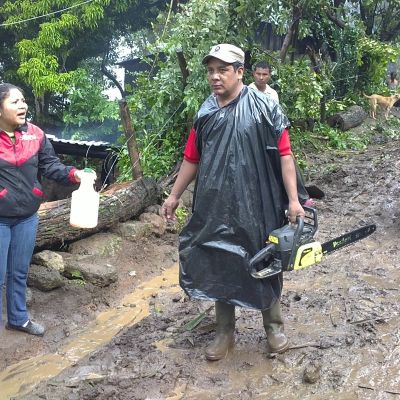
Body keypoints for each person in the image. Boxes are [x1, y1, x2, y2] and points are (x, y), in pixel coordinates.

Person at [161, 44, 305, 361]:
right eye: (210, 70)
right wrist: (173, 195)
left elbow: (285, 155)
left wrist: (294, 200)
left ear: (240, 71)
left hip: (258, 204)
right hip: (214, 204)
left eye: (222, 69)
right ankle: (224, 333)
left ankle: (274, 328)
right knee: (220, 261)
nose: (215, 76)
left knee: (265, 260)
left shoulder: (264, 107)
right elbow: (191, 158)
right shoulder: (206, 112)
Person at [0, 83, 90, 336]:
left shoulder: (35, 134)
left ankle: (18, 319)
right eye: (15, 102)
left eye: (23, 101)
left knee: (19, 272)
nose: (23, 106)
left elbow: (51, 166)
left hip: (27, 217)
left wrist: (75, 174)